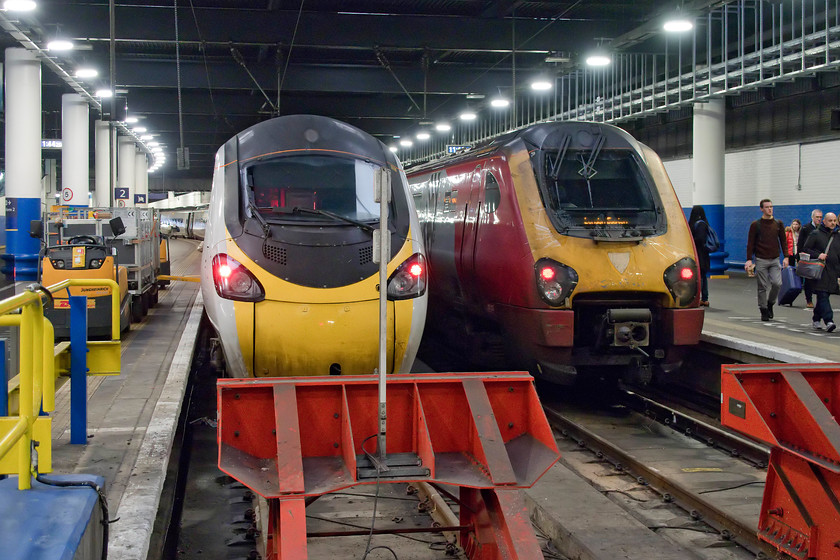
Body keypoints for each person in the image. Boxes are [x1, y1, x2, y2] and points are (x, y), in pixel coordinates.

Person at [745, 199, 790, 321]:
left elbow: (783, 241)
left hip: (775, 259)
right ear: (761, 209)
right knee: (762, 286)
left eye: (771, 207)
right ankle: (763, 309)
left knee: (777, 283)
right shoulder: (756, 225)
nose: (770, 209)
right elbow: (750, 243)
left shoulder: (778, 224)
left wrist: (786, 257)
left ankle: (770, 303)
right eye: (767, 207)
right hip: (761, 259)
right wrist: (749, 259)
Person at [803, 212, 839, 332]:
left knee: (824, 295)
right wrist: (818, 255)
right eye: (830, 221)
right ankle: (829, 321)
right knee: (823, 294)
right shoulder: (816, 234)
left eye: (834, 221)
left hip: (833, 271)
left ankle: (816, 318)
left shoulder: (837, 236)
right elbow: (805, 249)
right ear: (824, 221)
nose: (833, 223)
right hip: (820, 270)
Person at [800, 209, 823, 308]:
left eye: (820, 217)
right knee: (809, 280)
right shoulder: (806, 228)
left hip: (819, 257)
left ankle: (820, 299)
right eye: (817, 217)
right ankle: (809, 299)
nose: (819, 219)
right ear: (812, 217)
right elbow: (801, 243)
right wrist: (799, 257)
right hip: (808, 257)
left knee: (819, 279)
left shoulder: (822, 229)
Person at [688, 205, 711, 306]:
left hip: (698, 253)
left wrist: (692, 240)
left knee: (699, 276)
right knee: (703, 276)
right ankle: (704, 298)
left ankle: (699, 298)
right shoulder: (704, 223)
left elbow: (700, 239)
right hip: (704, 254)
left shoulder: (697, 224)